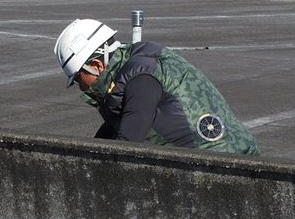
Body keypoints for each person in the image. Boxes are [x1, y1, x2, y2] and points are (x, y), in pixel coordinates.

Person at [54, 18, 259, 155]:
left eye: (79, 79)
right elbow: (114, 130)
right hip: (227, 159)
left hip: (227, 166)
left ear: (97, 65)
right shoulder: (138, 65)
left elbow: (126, 145)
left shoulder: (141, 79)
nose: (81, 88)